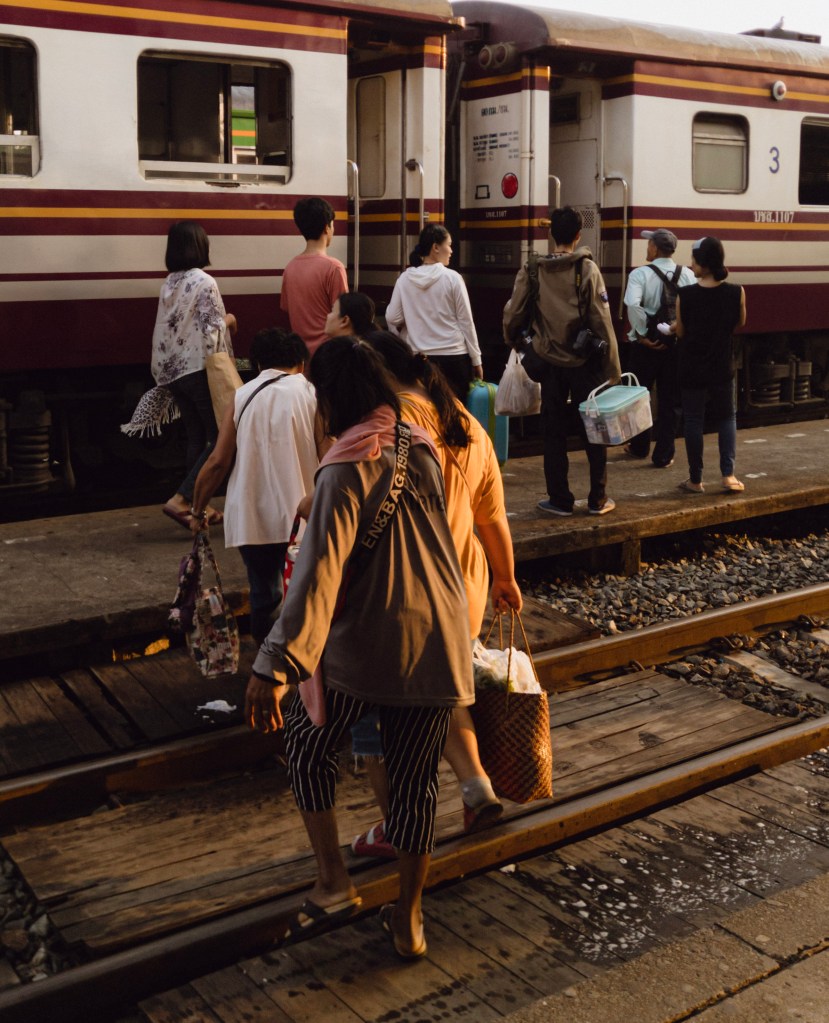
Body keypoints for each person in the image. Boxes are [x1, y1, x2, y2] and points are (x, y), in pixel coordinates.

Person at [245, 337, 472, 961]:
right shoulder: (415, 444)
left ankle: (333, 881)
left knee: (307, 744)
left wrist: (275, 665)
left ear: (330, 399)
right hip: (439, 638)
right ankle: (411, 918)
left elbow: (318, 575)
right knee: (415, 785)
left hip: (371, 641)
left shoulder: (345, 464)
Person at [349, 330, 523, 860]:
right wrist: (505, 579)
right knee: (445, 691)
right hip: (464, 584)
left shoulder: (380, 426)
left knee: (375, 715)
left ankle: (395, 826)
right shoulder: (467, 424)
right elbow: (493, 518)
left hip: (402, 587)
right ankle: (476, 787)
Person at [189, 328, 320, 646]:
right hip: (304, 514)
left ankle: (266, 666)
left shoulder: (242, 395)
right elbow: (329, 451)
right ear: (301, 363)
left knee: (266, 595)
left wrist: (197, 509)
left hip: (252, 515)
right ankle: (303, 668)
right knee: (309, 594)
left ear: (258, 364)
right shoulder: (312, 393)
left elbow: (218, 461)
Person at [503, 206, 621, 517]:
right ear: (579, 235)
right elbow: (602, 322)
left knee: (553, 432)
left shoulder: (533, 269)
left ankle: (559, 500)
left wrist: (514, 339)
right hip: (585, 363)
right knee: (594, 430)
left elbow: (514, 314)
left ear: (551, 234)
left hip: (548, 362)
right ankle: (598, 499)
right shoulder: (587, 270)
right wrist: (613, 370)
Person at [151, 220, 237, 528]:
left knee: (197, 439)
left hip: (173, 372)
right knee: (220, 439)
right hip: (199, 369)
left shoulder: (169, 282)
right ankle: (182, 499)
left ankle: (198, 507)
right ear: (201, 246)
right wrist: (230, 319)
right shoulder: (204, 281)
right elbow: (212, 329)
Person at [675, 237, 747, 494]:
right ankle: (728, 476)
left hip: (692, 366)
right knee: (727, 417)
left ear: (703, 264)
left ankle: (695, 480)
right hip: (721, 365)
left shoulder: (685, 295)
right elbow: (739, 322)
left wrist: (676, 327)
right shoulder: (736, 292)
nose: (691, 263)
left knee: (693, 420)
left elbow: (681, 332)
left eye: (694, 259)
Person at [623, 228, 696, 467]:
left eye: (649, 245)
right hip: (676, 345)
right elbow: (691, 309)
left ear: (655, 248)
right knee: (670, 399)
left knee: (638, 395)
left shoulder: (640, 274)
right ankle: (664, 455)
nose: (647, 248)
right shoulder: (687, 274)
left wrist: (642, 334)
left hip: (646, 346)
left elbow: (633, 305)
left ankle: (639, 447)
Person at [385, 224, 483, 401]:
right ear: (435, 247)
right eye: (449, 244)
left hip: (419, 360)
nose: (451, 250)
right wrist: (476, 360)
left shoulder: (405, 279)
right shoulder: (453, 278)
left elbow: (392, 317)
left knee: (423, 417)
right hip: (453, 359)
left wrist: (406, 334)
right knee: (454, 417)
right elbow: (466, 322)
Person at [280, 197, 348, 360]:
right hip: (329, 357)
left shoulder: (290, 267)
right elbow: (344, 317)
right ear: (327, 227)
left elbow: (286, 308)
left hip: (302, 358)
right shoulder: (334, 267)